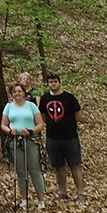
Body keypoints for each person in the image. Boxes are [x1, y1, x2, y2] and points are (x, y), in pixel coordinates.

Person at [39, 72, 87, 204]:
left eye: (55, 81)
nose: (53, 84)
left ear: (59, 82)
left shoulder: (69, 98)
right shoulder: (44, 99)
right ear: (48, 84)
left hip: (70, 137)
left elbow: (78, 116)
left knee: (75, 165)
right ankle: (62, 192)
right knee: (58, 166)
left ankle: (81, 193)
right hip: (52, 138)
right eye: (50, 82)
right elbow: (43, 117)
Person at [3, 82, 47, 209]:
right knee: (20, 171)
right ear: (11, 94)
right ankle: (24, 198)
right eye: (14, 91)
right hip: (15, 141)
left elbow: (40, 124)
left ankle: (41, 200)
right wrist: (10, 131)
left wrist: (31, 131)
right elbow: (3, 124)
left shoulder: (31, 106)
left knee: (35, 169)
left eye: (19, 91)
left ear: (24, 93)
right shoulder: (8, 107)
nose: (17, 93)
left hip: (31, 140)